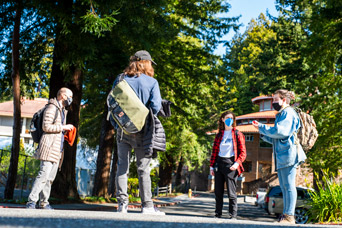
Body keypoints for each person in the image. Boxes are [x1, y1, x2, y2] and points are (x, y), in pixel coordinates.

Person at [113, 50, 164, 215]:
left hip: (122, 128)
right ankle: (147, 206)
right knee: (143, 168)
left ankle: (122, 205)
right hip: (143, 130)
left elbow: (112, 102)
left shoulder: (120, 78)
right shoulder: (151, 82)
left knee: (122, 166)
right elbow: (156, 107)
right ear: (146, 62)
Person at [252, 89, 307, 224]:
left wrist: (261, 127)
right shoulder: (282, 114)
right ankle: (286, 215)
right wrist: (263, 134)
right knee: (284, 187)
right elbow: (276, 138)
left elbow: (279, 131)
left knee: (288, 186)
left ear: (284, 100)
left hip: (289, 154)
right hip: (283, 155)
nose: (273, 102)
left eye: (276, 99)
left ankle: (289, 216)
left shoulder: (288, 113)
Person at [26, 87, 74, 209]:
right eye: (70, 96)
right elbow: (46, 126)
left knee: (50, 179)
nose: (71, 99)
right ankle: (31, 201)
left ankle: (44, 202)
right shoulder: (52, 107)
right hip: (48, 146)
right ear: (63, 96)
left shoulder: (62, 110)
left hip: (57, 149)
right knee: (43, 175)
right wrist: (63, 127)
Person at [209, 111, 246, 219]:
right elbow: (214, 152)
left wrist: (236, 164)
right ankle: (218, 213)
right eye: (227, 117)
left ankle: (232, 214)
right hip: (219, 164)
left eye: (231, 118)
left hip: (231, 164)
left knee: (231, 193)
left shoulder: (237, 134)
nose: (229, 119)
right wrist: (212, 166)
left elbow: (243, 152)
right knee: (218, 192)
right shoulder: (219, 135)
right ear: (222, 119)